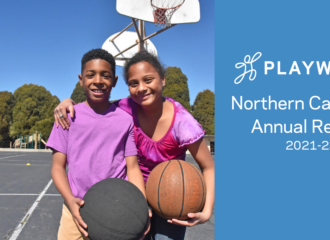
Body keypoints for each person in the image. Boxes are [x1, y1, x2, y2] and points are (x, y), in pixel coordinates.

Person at [54, 51, 215, 240]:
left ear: (162, 80)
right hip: (130, 195)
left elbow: (208, 166)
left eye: (148, 80)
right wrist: (67, 102)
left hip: (168, 193)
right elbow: (97, 106)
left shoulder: (183, 123)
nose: (141, 88)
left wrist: (206, 211)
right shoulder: (125, 108)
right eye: (133, 83)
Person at [47, 49, 148, 240]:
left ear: (115, 81)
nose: (98, 81)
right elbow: (57, 167)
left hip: (116, 211)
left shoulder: (125, 120)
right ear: (81, 79)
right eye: (90, 75)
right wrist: (70, 200)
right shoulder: (66, 117)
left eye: (106, 75)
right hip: (75, 209)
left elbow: (132, 168)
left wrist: (141, 207)